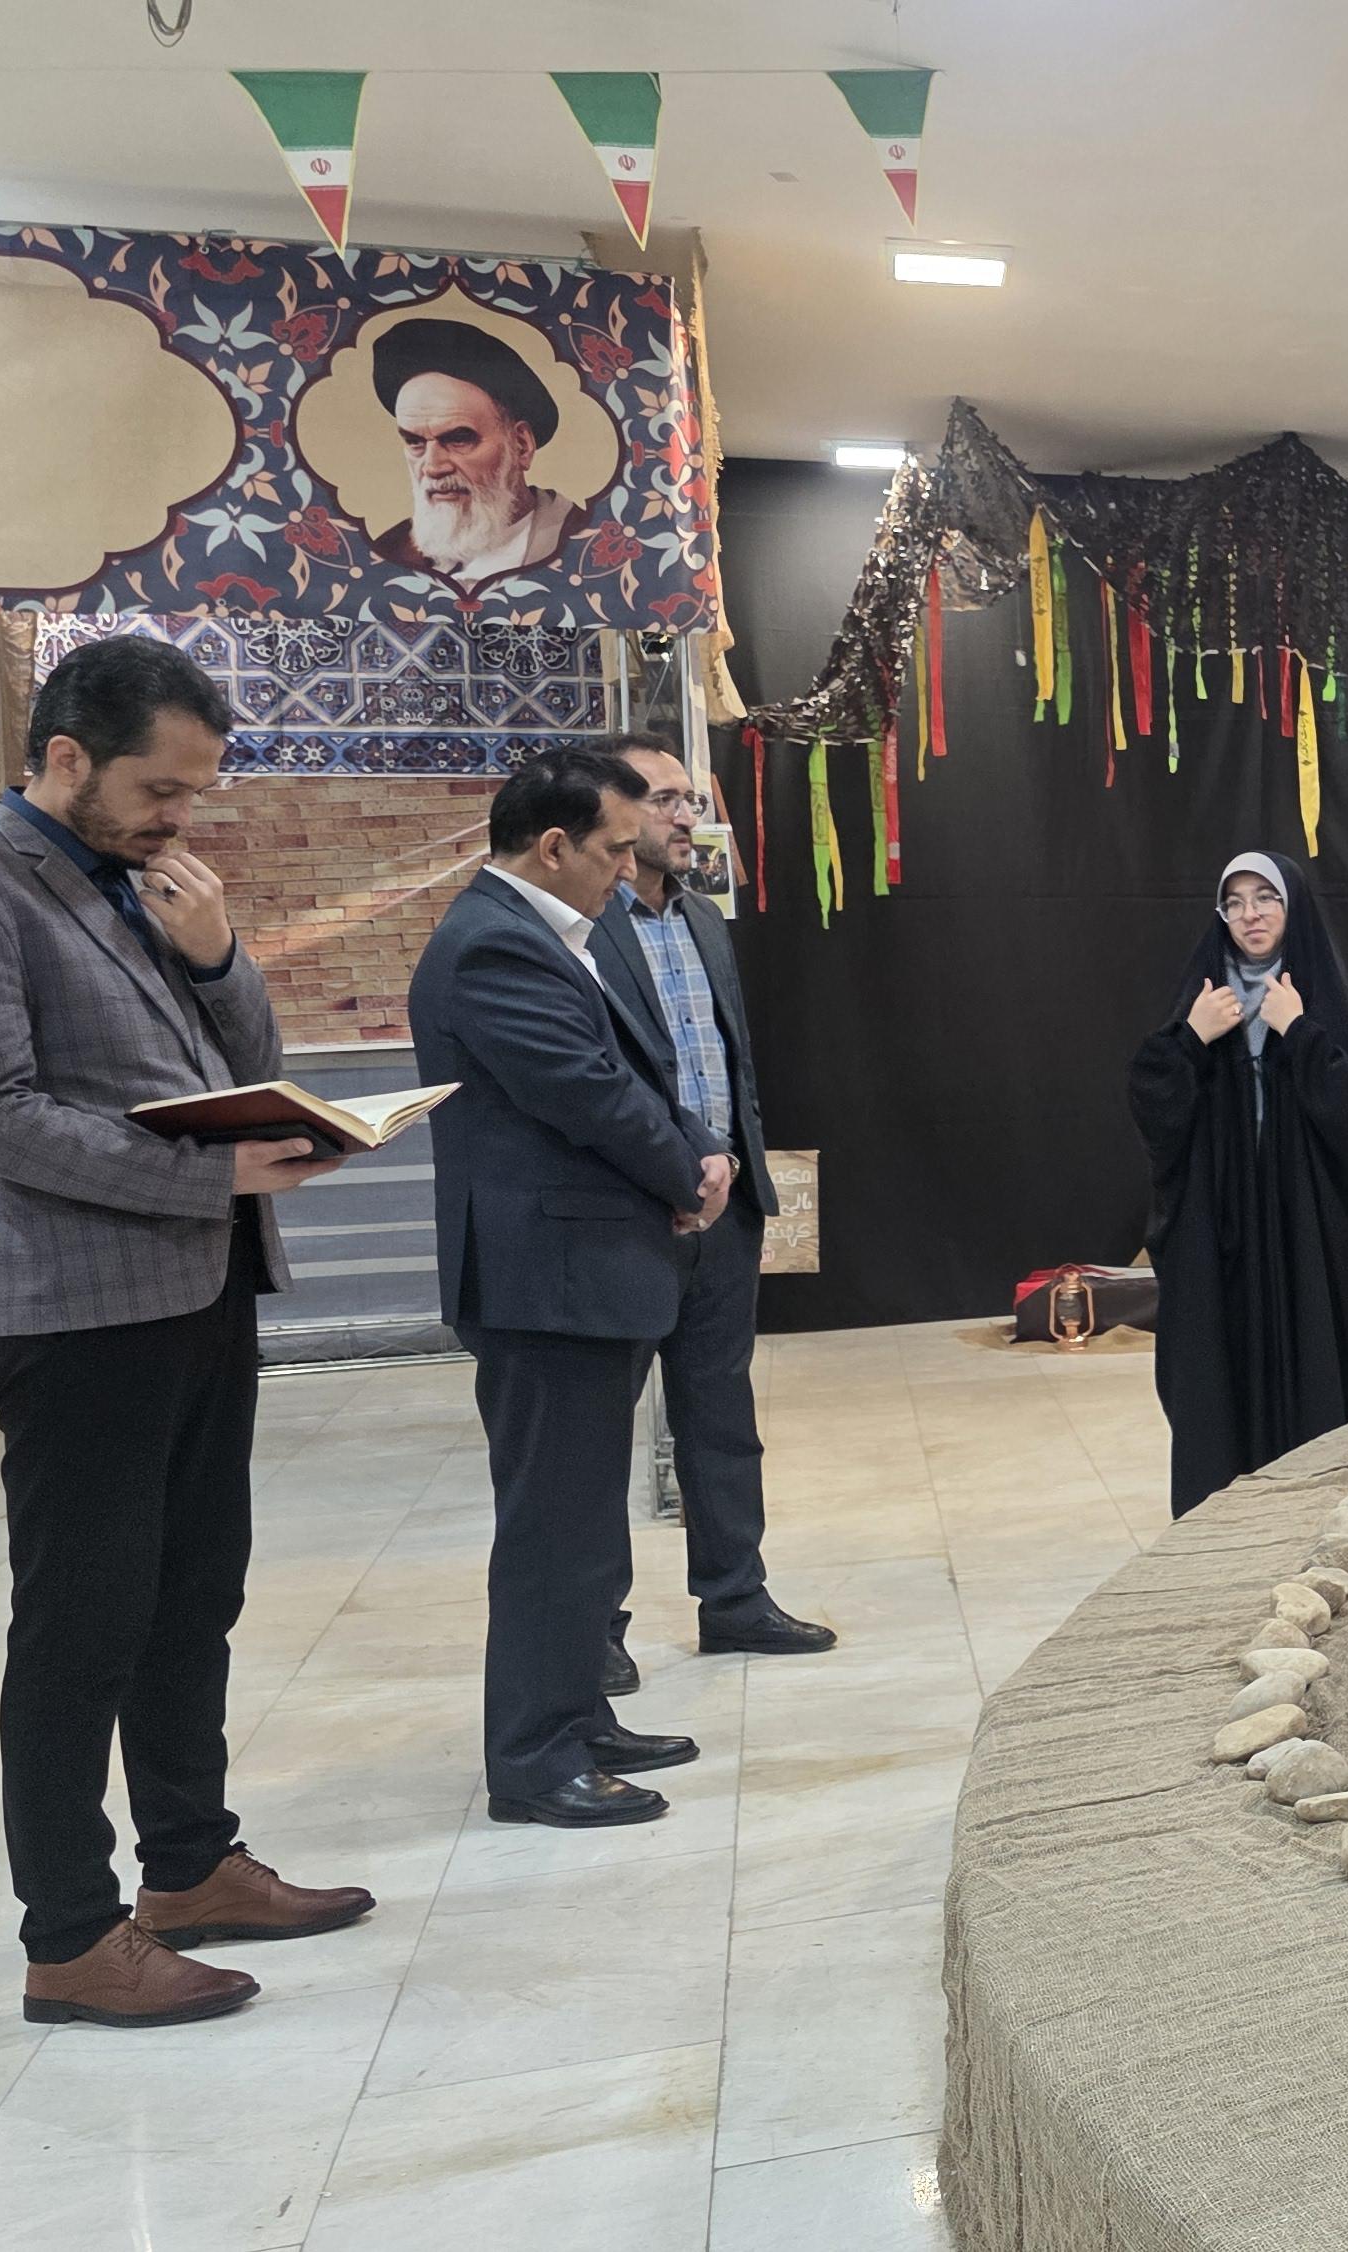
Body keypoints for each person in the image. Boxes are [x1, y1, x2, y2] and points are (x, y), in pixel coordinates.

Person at [0, 634, 375, 2029]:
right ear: (65, 756)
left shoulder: (144, 881)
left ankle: (190, 1864)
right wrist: (207, 1176)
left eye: (195, 791)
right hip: (80, 1314)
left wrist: (220, 954)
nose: (180, 815)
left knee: (194, 1596)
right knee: (84, 1623)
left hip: (200, 1286)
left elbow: (241, 1066)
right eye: (160, 788)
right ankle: (69, 1935)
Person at [410, 748, 729, 1829]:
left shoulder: (549, 933)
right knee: (552, 1528)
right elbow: (586, 1094)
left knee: (586, 1522)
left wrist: (696, 1147)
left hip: (585, 1273)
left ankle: (578, 1714)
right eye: (612, 851)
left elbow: (637, 1072)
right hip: (544, 1281)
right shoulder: (495, 943)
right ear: (553, 846)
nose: (625, 870)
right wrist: (686, 1172)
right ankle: (534, 1758)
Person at [589, 735, 834, 1683]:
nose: (686, 816)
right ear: (611, 812)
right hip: (632, 1219)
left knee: (722, 1418)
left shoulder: (703, 919)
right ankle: (592, 1630)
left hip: (726, 1218)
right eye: (664, 799)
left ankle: (735, 1598)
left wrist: (740, 1174)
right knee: (596, 1435)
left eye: (689, 799)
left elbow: (733, 1065)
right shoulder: (584, 929)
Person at [1129, 851, 1348, 1516]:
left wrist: (1297, 1031)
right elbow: (1151, 1103)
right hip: (1219, 1234)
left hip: (1304, 1234)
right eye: (1235, 902)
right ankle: (1220, 1520)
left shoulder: (1314, 999)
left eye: (1265, 898)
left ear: (1291, 906)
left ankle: (1308, 1507)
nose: (1250, 915)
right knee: (1218, 1369)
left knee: (1311, 1360)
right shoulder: (1203, 999)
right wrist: (1193, 1039)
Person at [369, 318, 580, 586]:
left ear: (521, 445)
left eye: (459, 439)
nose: (432, 466)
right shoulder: (389, 553)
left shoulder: (585, 545)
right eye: (415, 442)